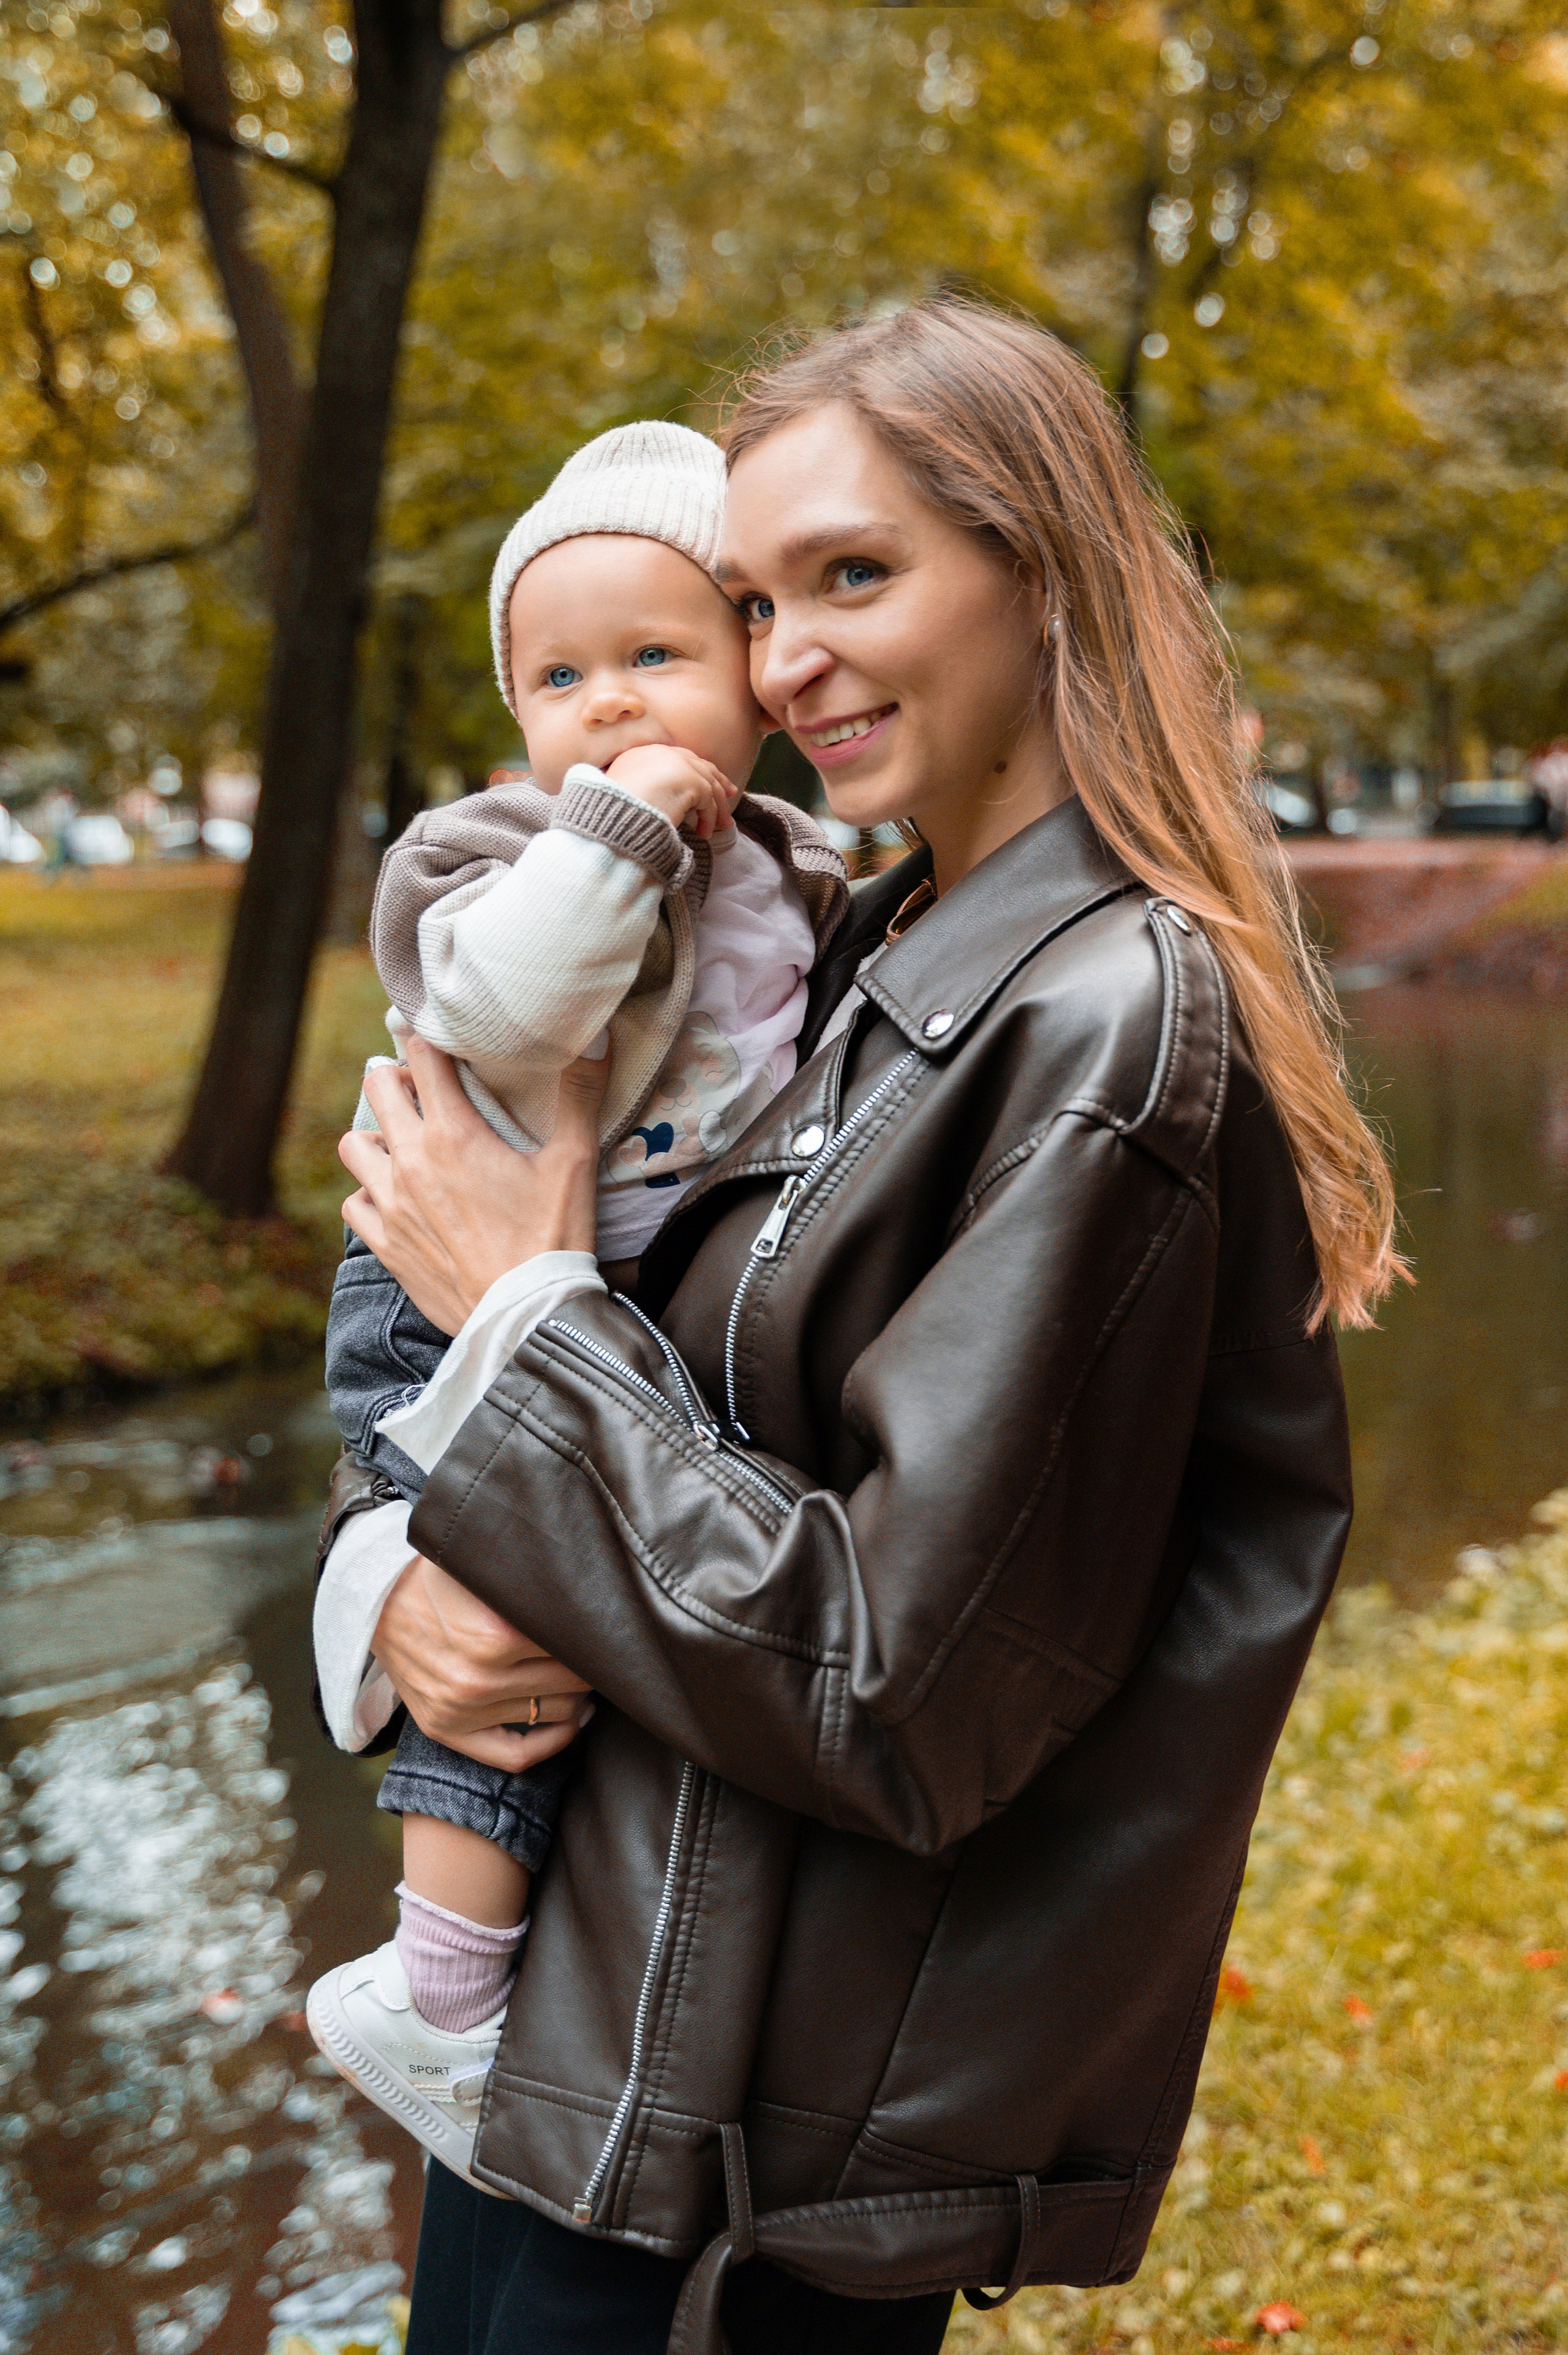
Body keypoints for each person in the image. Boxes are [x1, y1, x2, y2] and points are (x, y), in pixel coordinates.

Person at [314, 296, 1401, 2355]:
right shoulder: (851, 950)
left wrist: (519, 1313)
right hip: (589, 2058)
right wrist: (388, 1591)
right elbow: (654, 1422)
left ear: (1043, 570)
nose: (783, 654)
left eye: (856, 575)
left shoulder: (1098, 1023)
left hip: (748, 2173)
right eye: (753, 595)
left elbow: (898, 1692)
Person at [306, 420, 846, 2185]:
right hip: (436, 1274)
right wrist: (617, 825)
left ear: (760, 686)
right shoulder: (489, 850)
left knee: (552, 1621)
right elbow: (521, 1014)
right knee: (488, 1611)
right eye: (559, 674)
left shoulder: (801, 873)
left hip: (606, 1290)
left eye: (657, 659)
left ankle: (465, 1984)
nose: (605, 704)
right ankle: (439, 1990)